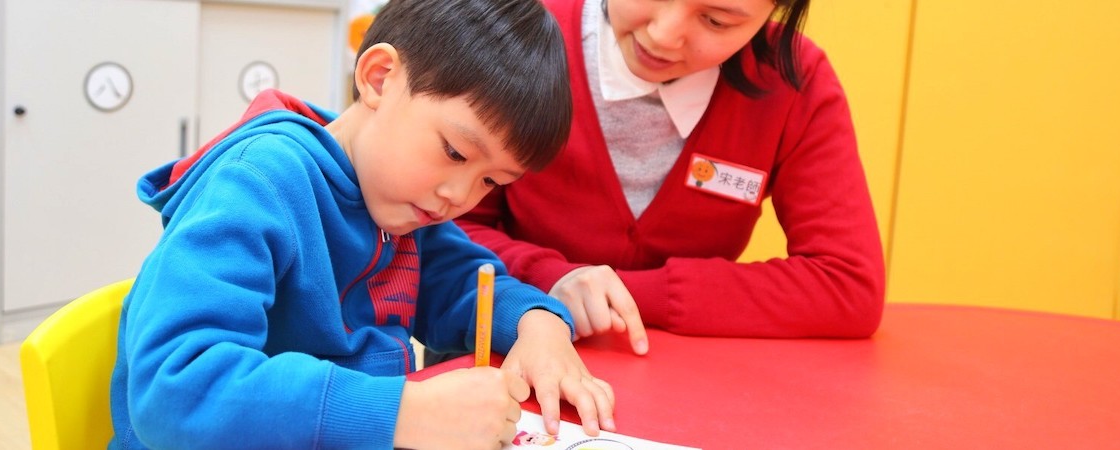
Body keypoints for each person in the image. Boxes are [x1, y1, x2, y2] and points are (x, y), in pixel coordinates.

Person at [108, 0, 616, 448]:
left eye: (490, 182)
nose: (458, 196)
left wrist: (539, 323)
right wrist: (401, 413)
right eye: (456, 152)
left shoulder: (400, 203)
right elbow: (172, 389)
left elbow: (465, 284)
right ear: (379, 78)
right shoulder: (258, 183)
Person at [451, 0, 886, 357]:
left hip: (686, 381)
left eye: (715, 20)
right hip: (501, 355)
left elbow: (848, 284)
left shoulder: (790, 78)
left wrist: (634, 294)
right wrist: (551, 277)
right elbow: (445, 230)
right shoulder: (516, 38)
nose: (662, 35)